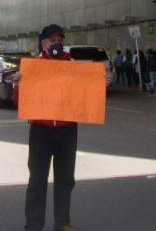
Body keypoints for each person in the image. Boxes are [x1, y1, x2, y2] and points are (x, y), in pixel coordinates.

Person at [11, 24, 109, 231]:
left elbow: (87, 93)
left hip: (67, 130)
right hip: (41, 131)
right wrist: (18, 84)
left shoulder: (72, 65)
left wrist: (101, 84)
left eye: (59, 40)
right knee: (37, 180)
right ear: (43, 43)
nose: (57, 44)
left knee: (65, 180)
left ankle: (62, 222)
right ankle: (34, 225)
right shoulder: (33, 67)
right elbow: (18, 101)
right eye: (52, 41)